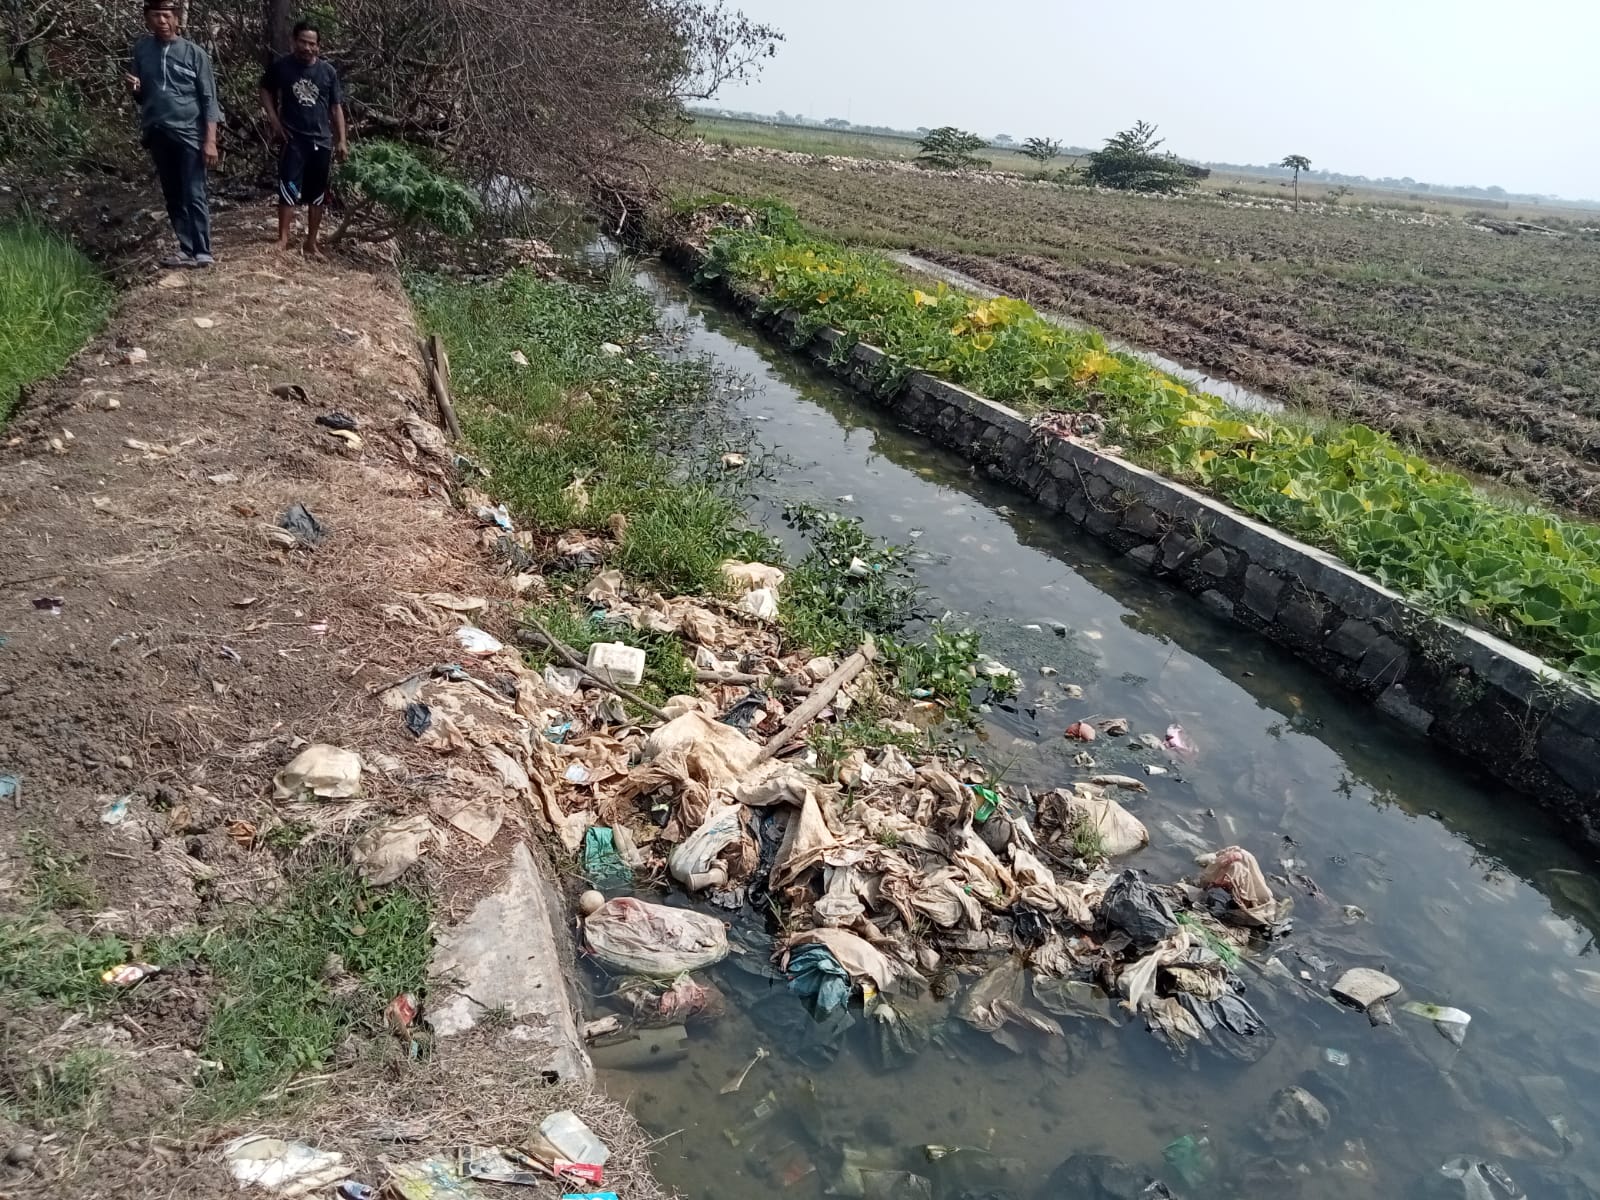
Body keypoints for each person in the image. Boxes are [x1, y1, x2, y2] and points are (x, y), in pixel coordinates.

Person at [125, 0, 221, 268]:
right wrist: (134, 89)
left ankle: (203, 250)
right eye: (156, 16)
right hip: (157, 130)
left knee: (194, 191)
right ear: (147, 19)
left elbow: (209, 99)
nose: (162, 21)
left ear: (177, 19)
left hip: (190, 132)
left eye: (167, 16)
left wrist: (210, 141)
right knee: (172, 193)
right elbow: (143, 96)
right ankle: (185, 248)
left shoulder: (194, 54)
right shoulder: (142, 50)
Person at [259, 21, 348, 259]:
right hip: (293, 139)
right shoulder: (282, 67)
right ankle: (283, 239)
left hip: (322, 141)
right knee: (288, 187)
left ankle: (311, 242)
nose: (307, 48)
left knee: (317, 193)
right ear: (293, 41)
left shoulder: (328, 72)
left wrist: (342, 140)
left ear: (319, 46)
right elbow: (265, 89)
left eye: (312, 44)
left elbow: (336, 107)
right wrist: (274, 119)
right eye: (303, 42)